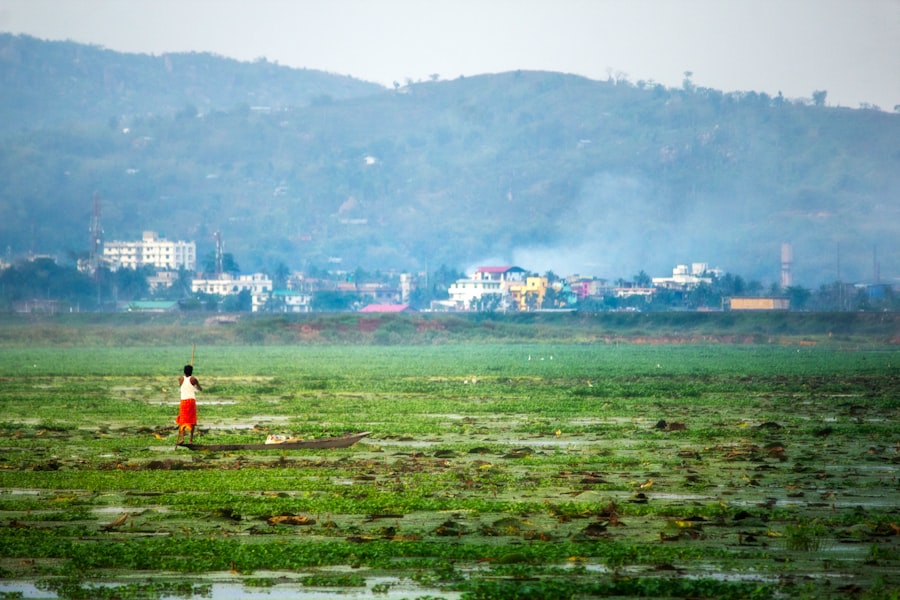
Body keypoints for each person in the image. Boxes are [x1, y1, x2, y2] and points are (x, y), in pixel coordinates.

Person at [175, 364, 202, 446]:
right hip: (191, 401)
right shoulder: (193, 379)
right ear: (191, 371)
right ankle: (190, 440)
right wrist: (195, 386)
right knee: (192, 420)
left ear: (184, 371)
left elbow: (181, 385)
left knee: (183, 420)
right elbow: (200, 389)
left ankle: (182, 438)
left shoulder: (180, 379)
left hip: (183, 401)